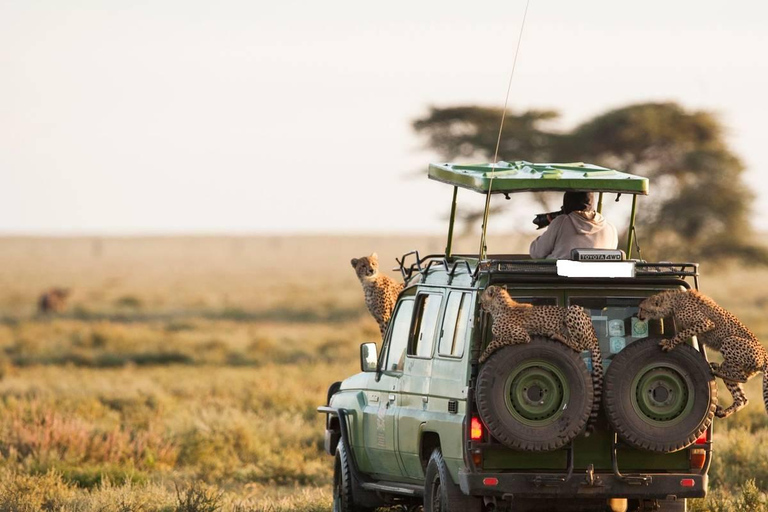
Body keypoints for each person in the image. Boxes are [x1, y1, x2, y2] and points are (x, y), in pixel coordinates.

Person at [529, 191, 618, 259]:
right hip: (598, 282)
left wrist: (553, 226)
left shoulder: (561, 222)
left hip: (560, 281)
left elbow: (536, 253)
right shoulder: (610, 228)